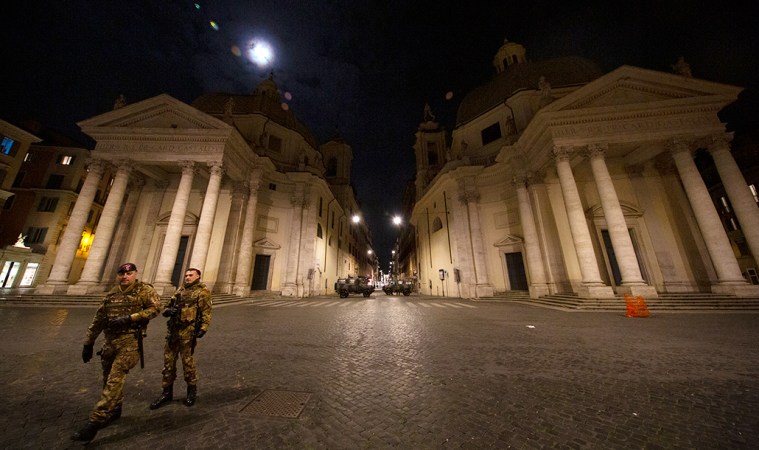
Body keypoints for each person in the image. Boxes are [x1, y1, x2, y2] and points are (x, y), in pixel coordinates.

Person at [71, 263, 162, 442]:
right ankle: (115, 410)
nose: (125, 276)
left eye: (129, 273)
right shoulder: (112, 294)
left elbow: (156, 308)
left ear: (136, 274)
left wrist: (130, 318)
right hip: (110, 343)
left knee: (114, 380)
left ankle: (95, 422)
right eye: (122, 273)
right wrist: (88, 343)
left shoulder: (144, 290)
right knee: (108, 380)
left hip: (129, 342)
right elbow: (99, 319)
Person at [149, 268, 212, 409]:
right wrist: (168, 312)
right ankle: (166, 392)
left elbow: (206, 311)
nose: (187, 277)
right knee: (168, 363)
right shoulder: (180, 291)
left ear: (198, 276)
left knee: (187, 363)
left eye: (191, 275)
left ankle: (191, 392)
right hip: (173, 332)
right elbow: (167, 307)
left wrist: (203, 328)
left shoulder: (202, 292)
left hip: (188, 333)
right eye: (186, 275)